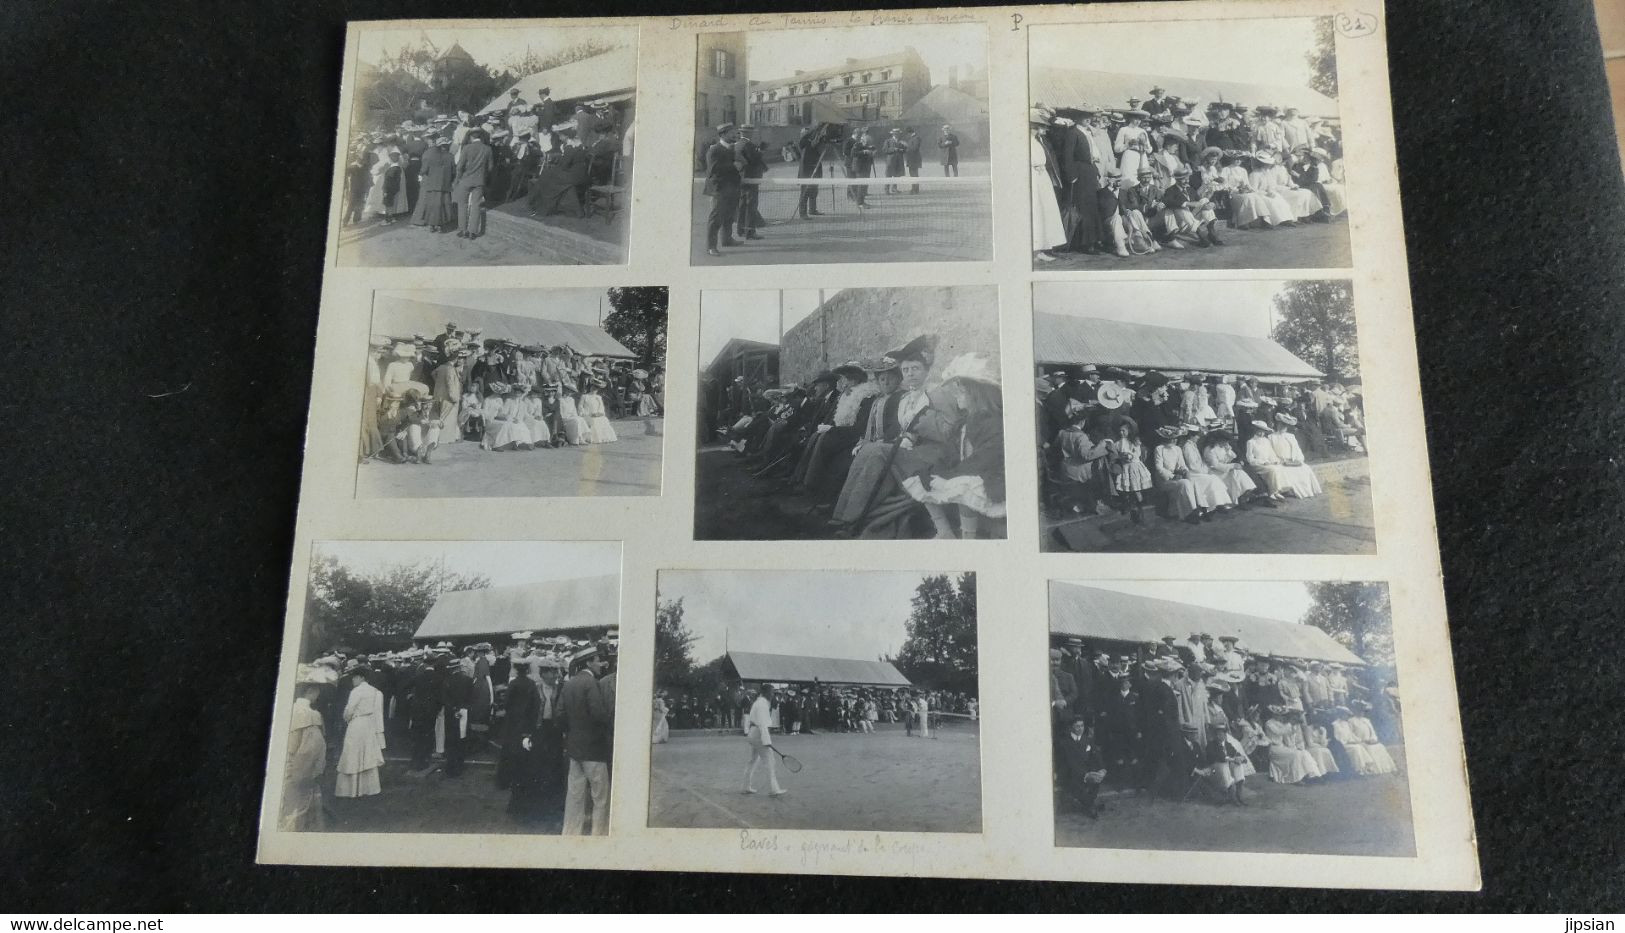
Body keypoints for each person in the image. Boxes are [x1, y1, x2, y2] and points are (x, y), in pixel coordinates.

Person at [558, 649, 614, 834]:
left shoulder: (568, 684)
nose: (601, 664)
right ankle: (598, 835)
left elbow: (560, 716)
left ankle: (571, 834)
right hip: (594, 749)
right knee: (601, 797)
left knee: (574, 796)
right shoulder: (592, 683)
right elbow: (598, 714)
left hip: (574, 748)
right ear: (589, 662)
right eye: (598, 661)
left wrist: (572, 732)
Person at [279, 680, 328, 830]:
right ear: (312, 692)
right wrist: (317, 769)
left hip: (283, 760)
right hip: (299, 765)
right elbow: (312, 750)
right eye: (317, 692)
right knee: (299, 804)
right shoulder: (312, 715)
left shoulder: (286, 708)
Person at [335, 663, 385, 798]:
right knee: (367, 753)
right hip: (369, 725)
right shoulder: (375, 691)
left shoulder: (356, 691)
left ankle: (351, 790)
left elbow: (349, 710)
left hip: (356, 724)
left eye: (354, 677)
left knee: (353, 753)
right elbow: (377, 712)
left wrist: (347, 718)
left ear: (361, 677)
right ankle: (368, 788)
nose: (352, 680)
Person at [1030, 111, 1068, 261]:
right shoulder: (1026, 141)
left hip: (1041, 176)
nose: (1043, 130)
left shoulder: (1038, 141)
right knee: (1036, 210)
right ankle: (1035, 249)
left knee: (1045, 210)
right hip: (1033, 176)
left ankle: (1042, 247)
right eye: (1040, 127)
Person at [703, 123, 742, 256]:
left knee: (729, 217)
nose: (735, 135)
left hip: (731, 189)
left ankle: (727, 240)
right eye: (732, 132)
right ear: (723, 135)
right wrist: (733, 166)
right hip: (719, 190)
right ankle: (711, 247)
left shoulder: (730, 149)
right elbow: (713, 171)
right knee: (716, 219)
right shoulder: (714, 150)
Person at [741, 683, 787, 796]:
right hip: (758, 734)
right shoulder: (761, 704)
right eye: (771, 692)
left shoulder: (760, 702)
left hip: (753, 733)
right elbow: (762, 724)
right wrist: (767, 741)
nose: (773, 695)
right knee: (770, 761)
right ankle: (774, 789)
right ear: (765, 692)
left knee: (752, 761)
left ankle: (746, 787)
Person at [1105, 419, 1153, 522]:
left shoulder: (1134, 442)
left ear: (1129, 431)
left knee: (1136, 490)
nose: (1121, 433)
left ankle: (1141, 511)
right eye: (1120, 431)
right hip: (1125, 468)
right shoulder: (1117, 443)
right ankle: (1132, 510)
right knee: (1126, 490)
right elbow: (1116, 455)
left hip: (1134, 468)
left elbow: (1137, 454)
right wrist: (1121, 457)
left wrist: (1130, 455)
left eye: (1123, 430)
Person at [451, 129, 492, 239]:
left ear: (471, 137)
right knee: (476, 205)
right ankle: (472, 232)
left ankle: (462, 230)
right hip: (479, 180)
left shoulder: (466, 148)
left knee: (462, 204)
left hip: (465, 180)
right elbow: (490, 167)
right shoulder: (487, 149)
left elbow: (460, 167)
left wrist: (456, 180)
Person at [410, 136, 455, 232]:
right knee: (443, 205)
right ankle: (440, 224)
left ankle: (432, 224)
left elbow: (424, 170)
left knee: (432, 204)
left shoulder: (431, 156)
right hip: (445, 185)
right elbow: (454, 172)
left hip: (432, 184)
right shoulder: (450, 156)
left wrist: (423, 174)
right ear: (447, 146)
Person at [735, 125, 768, 240]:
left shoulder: (737, 144)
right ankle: (750, 232)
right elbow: (753, 160)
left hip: (742, 178)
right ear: (748, 133)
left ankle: (740, 230)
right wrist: (761, 151)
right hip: (751, 178)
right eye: (751, 132)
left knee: (742, 204)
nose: (752, 134)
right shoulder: (749, 145)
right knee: (751, 205)